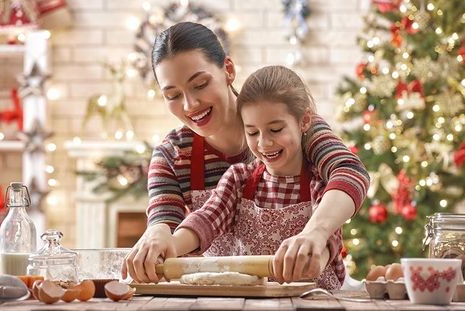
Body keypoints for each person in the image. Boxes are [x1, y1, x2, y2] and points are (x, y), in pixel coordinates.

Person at [121, 22, 370, 285]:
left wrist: (315, 234)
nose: (189, 105)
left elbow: (349, 172)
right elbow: (169, 223)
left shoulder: (292, 125)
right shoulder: (173, 154)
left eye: (200, 84)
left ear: (228, 70)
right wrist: (157, 235)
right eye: (172, 95)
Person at [150, 65, 361, 289]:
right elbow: (206, 219)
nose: (264, 143)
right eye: (252, 132)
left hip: (313, 301)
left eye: (276, 129)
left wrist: (315, 251)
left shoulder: (319, 183)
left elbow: (329, 239)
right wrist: (170, 246)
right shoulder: (238, 179)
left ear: (305, 120)